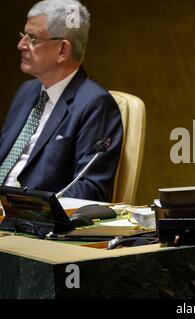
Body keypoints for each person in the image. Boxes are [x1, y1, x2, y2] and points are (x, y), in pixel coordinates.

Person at [0, 0, 123, 202]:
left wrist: (21, 207)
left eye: (32, 39)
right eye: (23, 36)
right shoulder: (26, 92)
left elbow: (89, 189)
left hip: (30, 221)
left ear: (63, 50)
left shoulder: (95, 104)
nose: (21, 45)